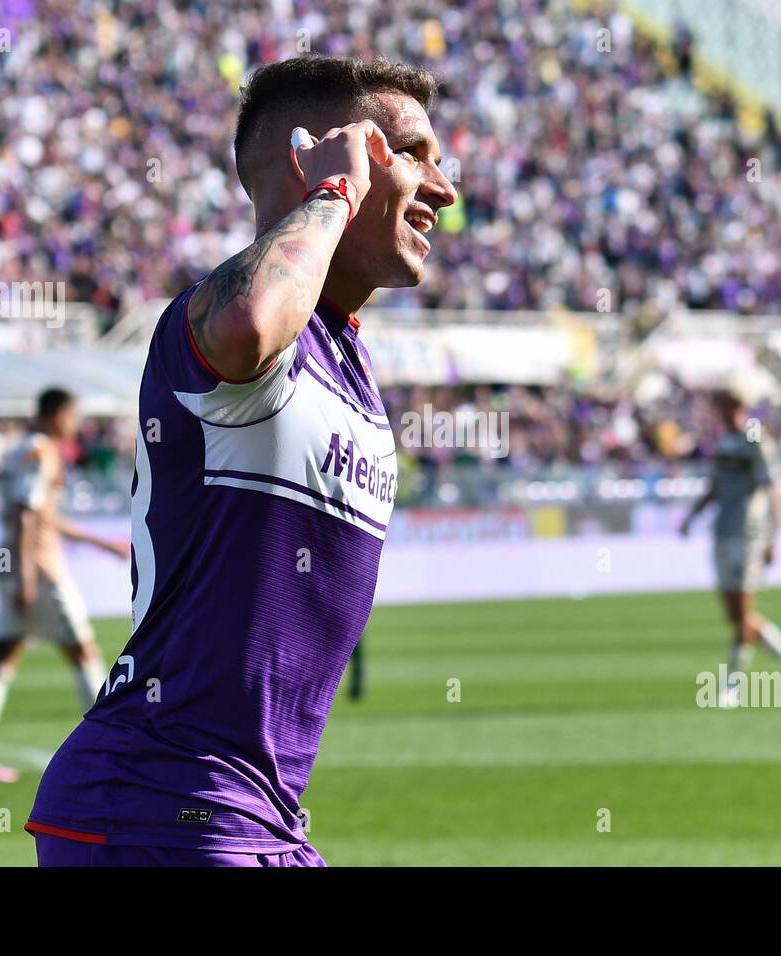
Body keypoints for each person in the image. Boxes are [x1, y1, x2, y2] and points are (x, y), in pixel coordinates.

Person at [25, 55, 457, 865]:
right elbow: (249, 325)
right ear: (319, 158)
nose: (444, 186)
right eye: (411, 152)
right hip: (162, 804)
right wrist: (335, 194)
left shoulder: (348, 360)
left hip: (256, 821)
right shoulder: (229, 320)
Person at [0, 387, 130, 781]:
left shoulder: (25, 449)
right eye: (73, 416)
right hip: (40, 570)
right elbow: (25, 515)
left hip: (14, 564)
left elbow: (41, 515)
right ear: (57, 414)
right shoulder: (42, 453)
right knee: (84, 652)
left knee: (3, 657)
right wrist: (28, 576)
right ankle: (110, 751)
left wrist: (101, 543)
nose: (76, 425)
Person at [680, 391, 781, 706]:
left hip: (748, 533)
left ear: (740, 406)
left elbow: (774, 489)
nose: (723, 411)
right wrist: (691, 517)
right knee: (735, 614)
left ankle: (734, 684)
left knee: (742, 611)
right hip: (723, 532)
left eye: (728, 404)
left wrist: (773, 537)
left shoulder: (755, 439)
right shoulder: (722, 442)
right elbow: (714, 488)